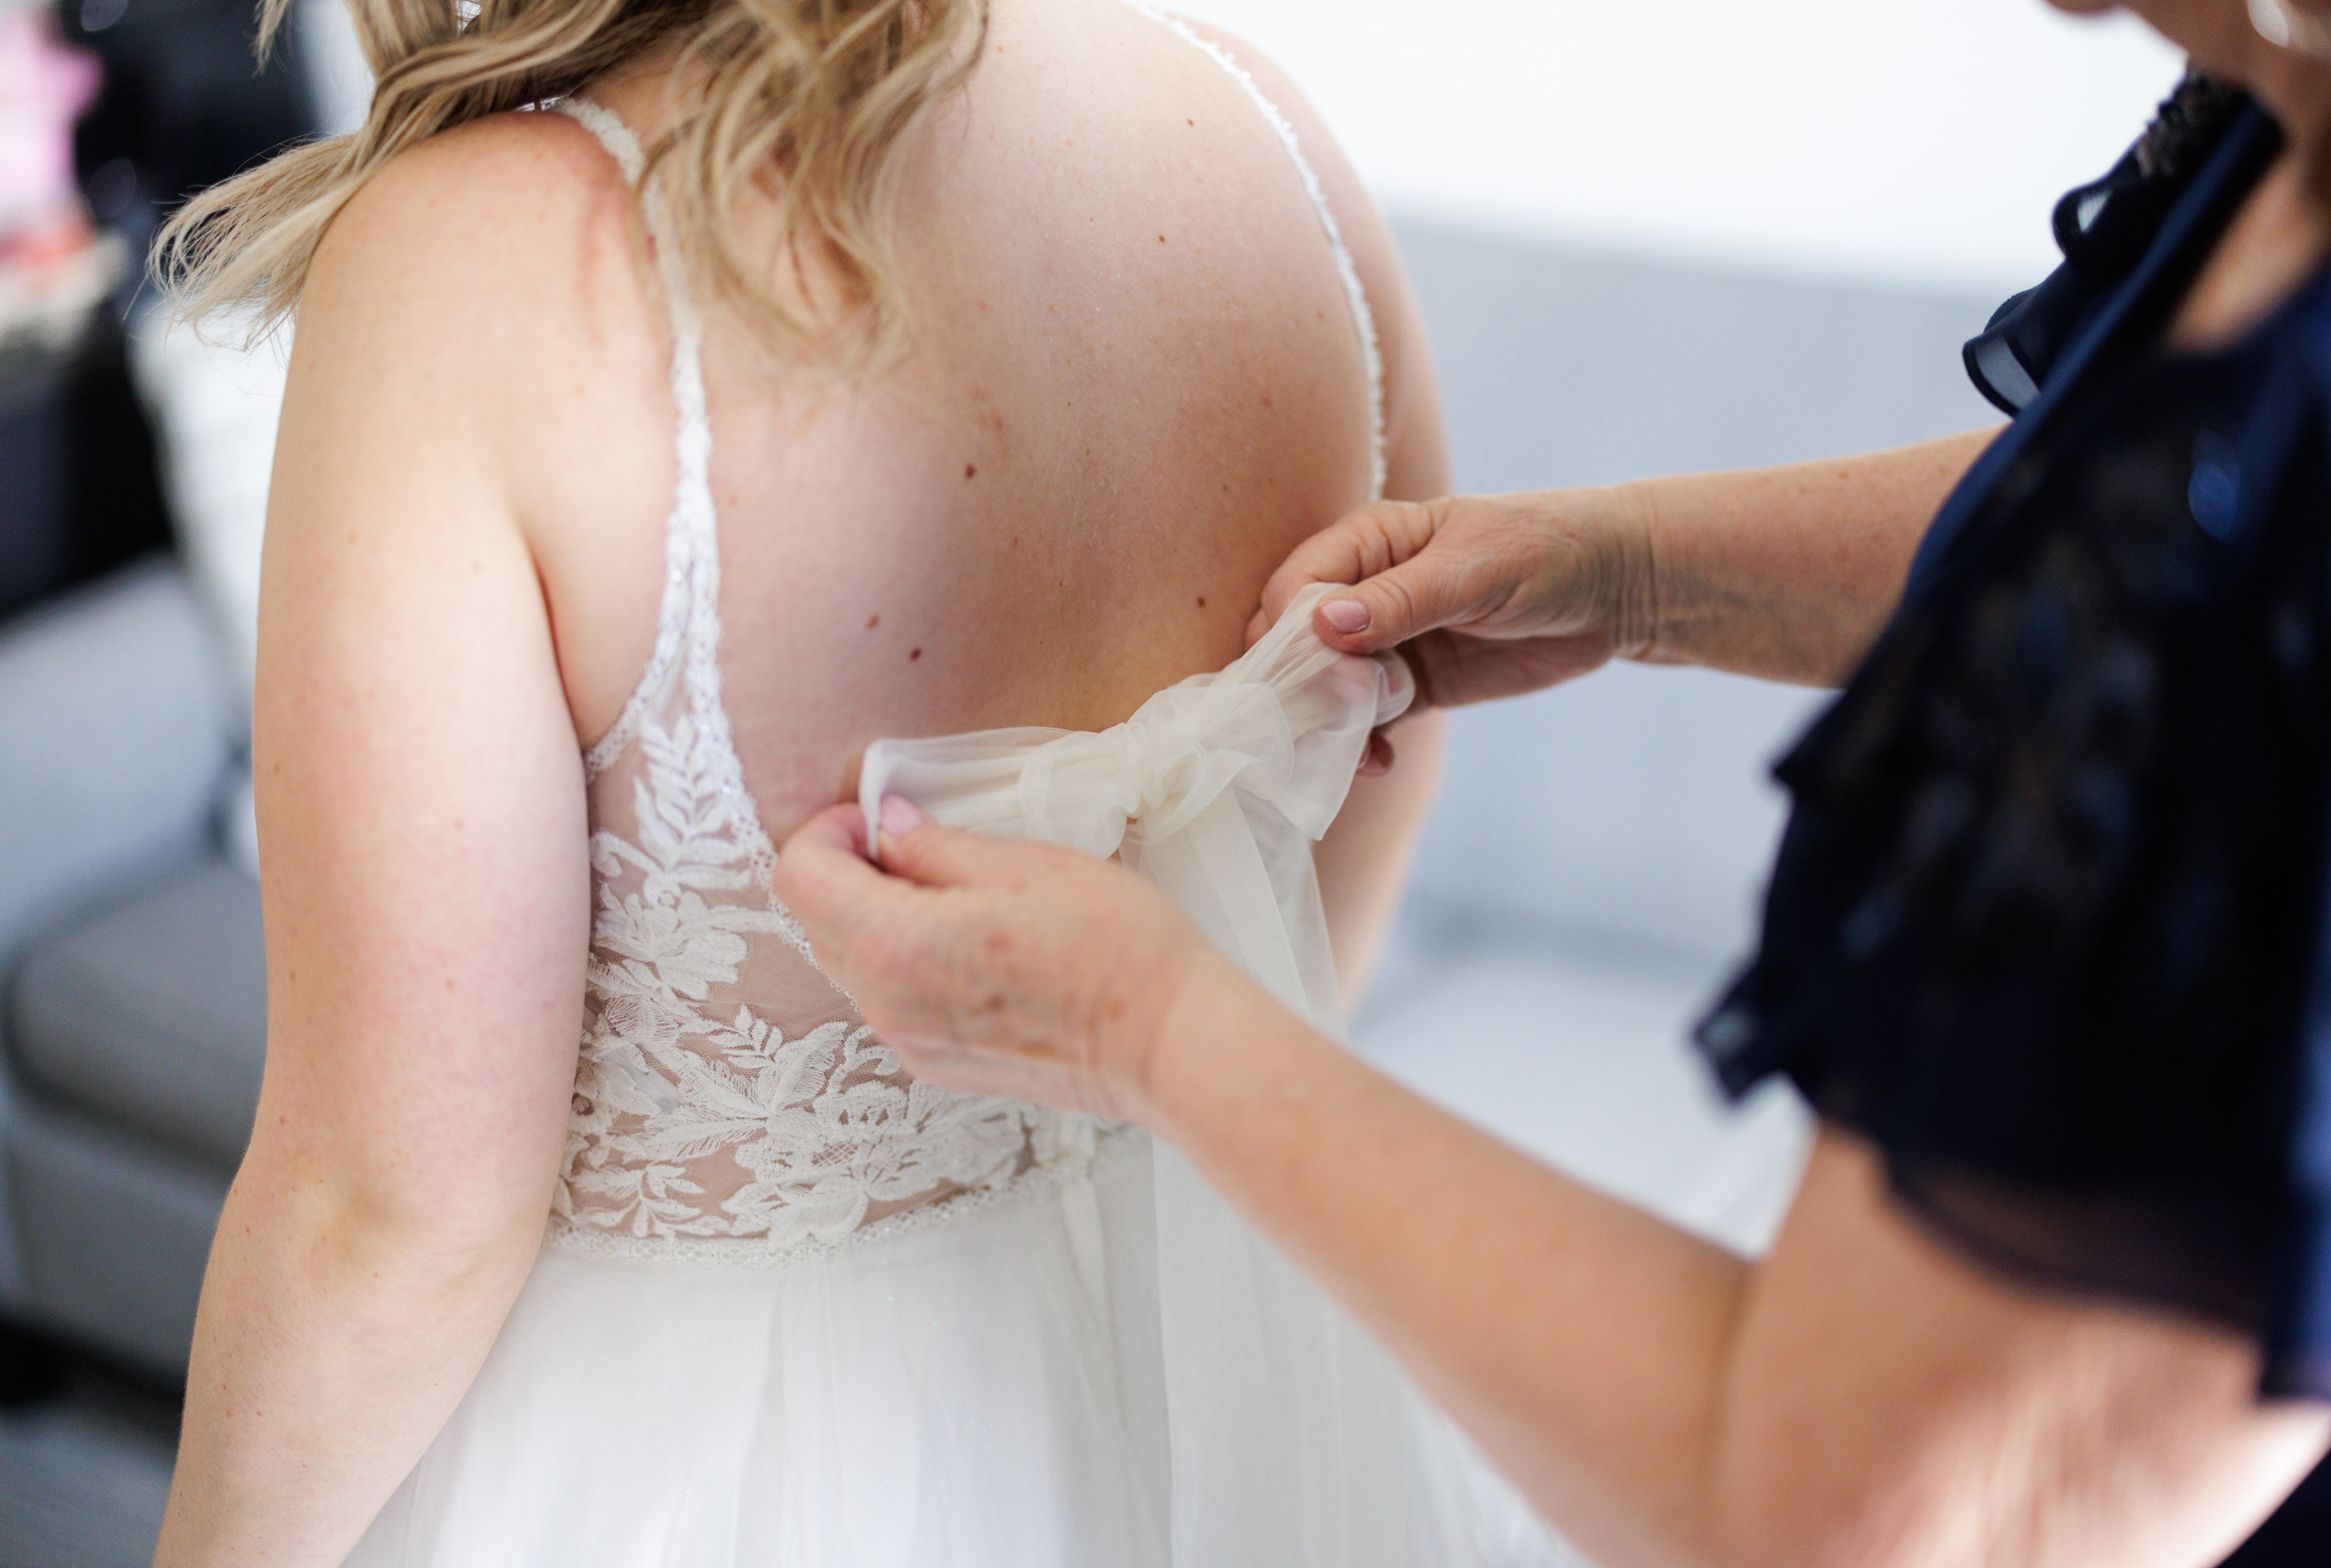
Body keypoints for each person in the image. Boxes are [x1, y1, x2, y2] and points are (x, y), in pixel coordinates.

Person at [776, 2, 2331, 1563]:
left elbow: (1857, 1529)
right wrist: (1635, 570)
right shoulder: (2285, 130)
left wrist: (1154, 1027)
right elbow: (2155, 536)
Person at [142, 0, 1554, 1562]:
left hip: (677, 1467)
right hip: (1210, 1385)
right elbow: (1391, 735)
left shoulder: (474, 269)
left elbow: (397, 1217)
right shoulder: (1263, 135)